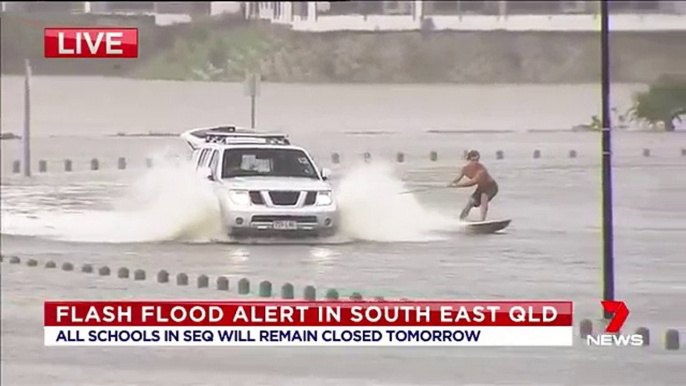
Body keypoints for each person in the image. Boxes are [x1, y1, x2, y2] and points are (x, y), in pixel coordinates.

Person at [447, 150, 498, 221]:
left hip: (491, 187)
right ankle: (460, 220)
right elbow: (458, 178)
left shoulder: (481, 170)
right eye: (472, 160)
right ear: (469, 160)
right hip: (481, 188)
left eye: (476, 160)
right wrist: (451, 183)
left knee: (484, 198)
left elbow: (472, 182)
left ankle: (482, 221)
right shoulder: (465, 169)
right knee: (470, 202)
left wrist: (457, 185)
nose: (475, 162)